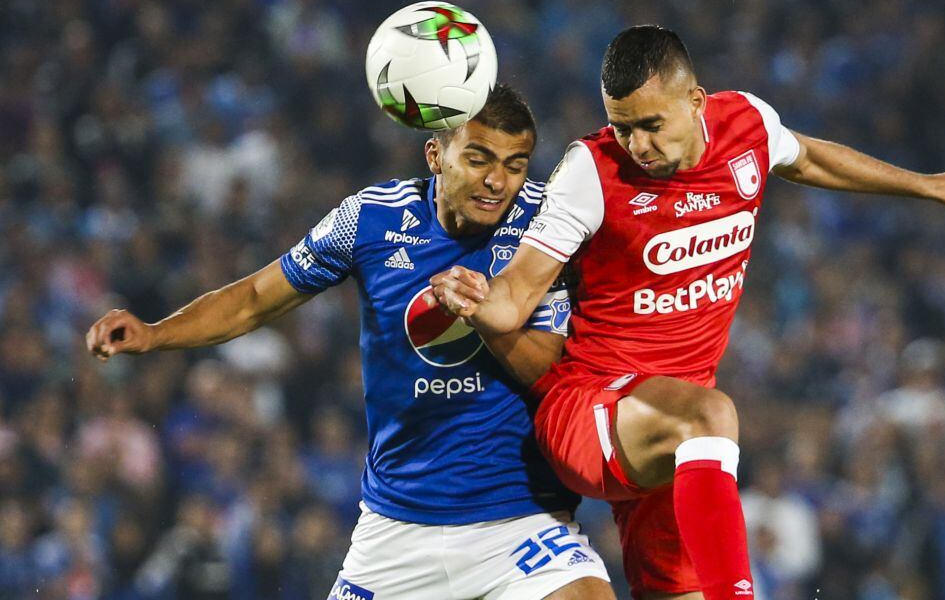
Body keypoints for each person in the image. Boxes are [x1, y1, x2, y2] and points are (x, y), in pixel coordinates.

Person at [430, 26, 945, 600]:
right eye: (623, 126)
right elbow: (514, 298)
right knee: (714, 415)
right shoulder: (592, 170)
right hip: (592, 406)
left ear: (695, 102)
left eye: (651, 125)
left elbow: (810, 158)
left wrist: (925, 185)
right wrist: (468, 294)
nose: (638, 144)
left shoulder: (748, 124)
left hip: (677, 437)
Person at [85, 84, 615, 600]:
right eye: (479, 159)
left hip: (522, 521)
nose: (498, 181)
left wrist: (486, 318)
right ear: (435, 154)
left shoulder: (544, 230)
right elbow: (254, 298)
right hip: (396, 531)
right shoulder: (369, 218)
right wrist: (155, 334)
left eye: (516, 165)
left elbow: (548, 372)